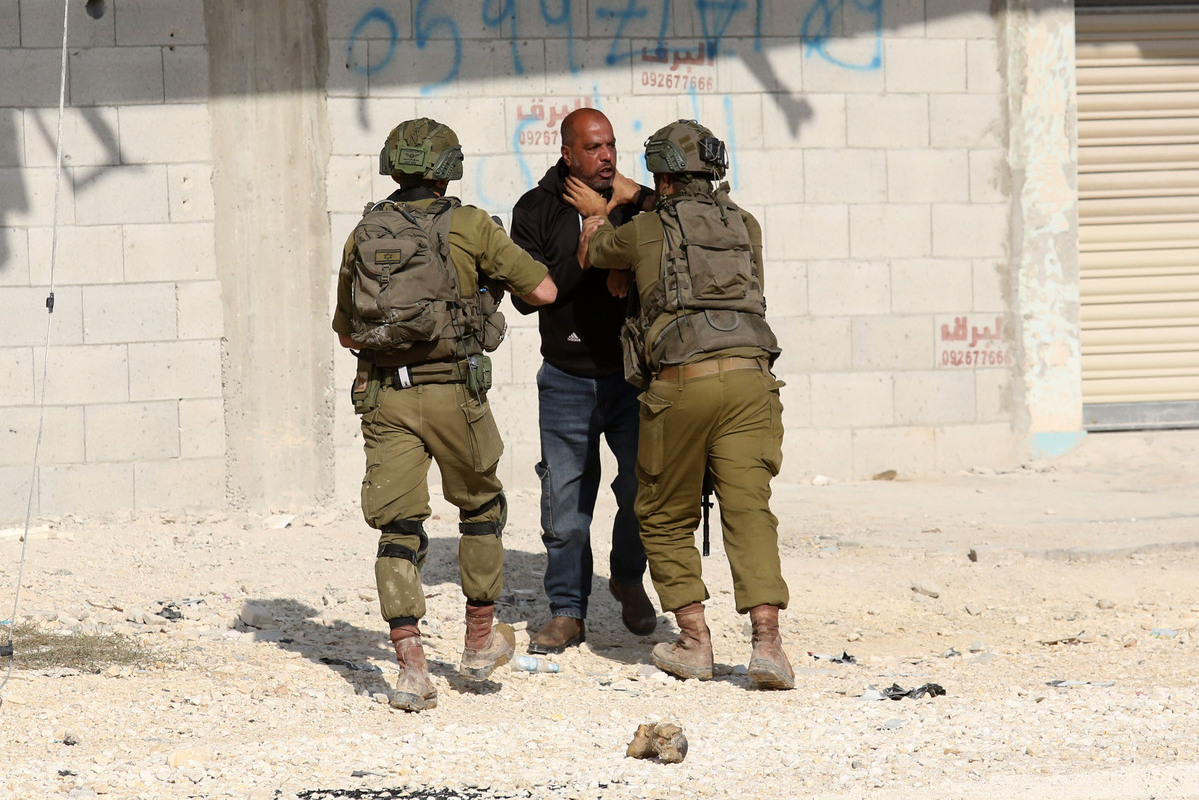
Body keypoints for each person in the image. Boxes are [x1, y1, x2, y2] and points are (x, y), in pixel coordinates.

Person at [332, 117, 557, 711]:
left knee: (398, 529)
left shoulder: (364, 232)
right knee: (481, 509)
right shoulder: (471, 225)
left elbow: (348, 334)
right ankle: (478, 643)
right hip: (455, 394)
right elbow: (544, 292)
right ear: (447, 170)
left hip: (386, 397)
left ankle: (411, 670)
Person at [584, 119, 795, 690]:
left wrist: (599, 214)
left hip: (683, 380)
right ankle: (769, 646)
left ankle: (695, 642)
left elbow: (596, 253)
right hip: (752, 378)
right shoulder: (745, 223)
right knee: (749, 510)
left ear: (664, 179)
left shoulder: (646, 229)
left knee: (662, 512)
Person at [509, 108, 658, 655]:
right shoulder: (535, 209)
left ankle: (627, 577)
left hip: (630, 377)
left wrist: (628, 201)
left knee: (642, 489)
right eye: (593, 148)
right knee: (566, 506)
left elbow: (684, 220)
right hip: (566, 380)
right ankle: (568, 611)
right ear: (567, 154)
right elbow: (527, 298)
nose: (607, 156)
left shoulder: (634, 203)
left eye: (611, 145)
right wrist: (588, 253)